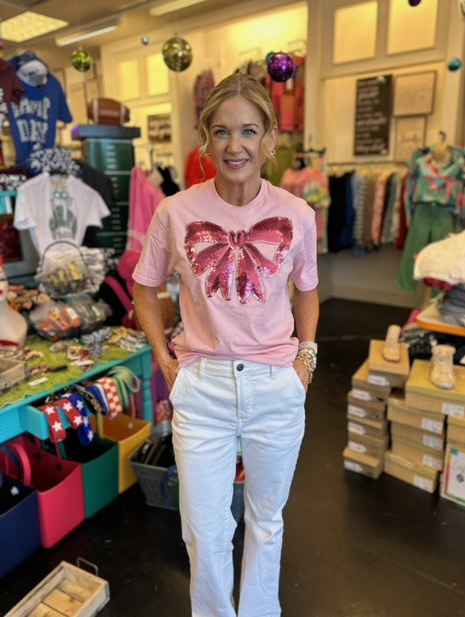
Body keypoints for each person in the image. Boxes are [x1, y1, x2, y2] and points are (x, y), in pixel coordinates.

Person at [133, 72, 319, 617]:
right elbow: (146, 287)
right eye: (221, 132)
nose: (234, 145)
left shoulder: (297, 214)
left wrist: (305, 360)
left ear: (268, 139)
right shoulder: (174, 211)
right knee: (203, 530)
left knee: (266, 521)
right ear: (205, 139)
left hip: (275, 386)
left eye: (247, 131)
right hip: (203, 389)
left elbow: (307, 291)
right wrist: (166, 360)